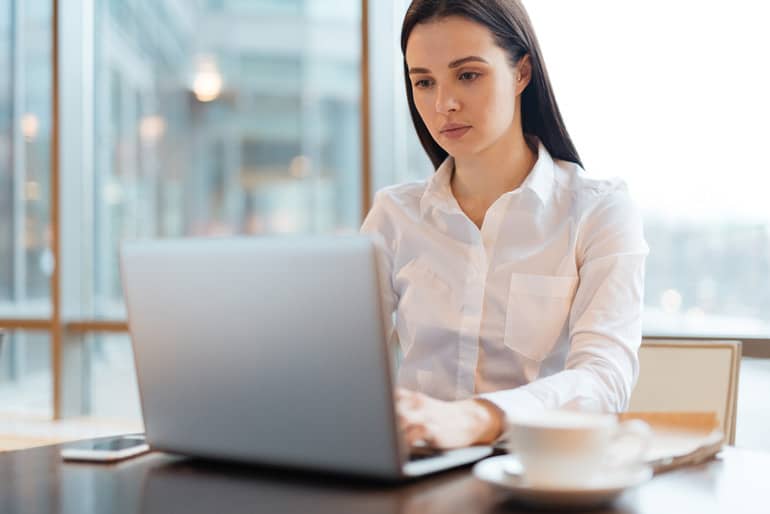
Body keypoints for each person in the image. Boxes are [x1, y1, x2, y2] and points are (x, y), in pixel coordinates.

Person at [361, 0, 648, 450]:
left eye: (468, 75)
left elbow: (604, 379)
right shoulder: (394, 216)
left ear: (521, 73)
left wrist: (478, 419)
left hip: (538, 468)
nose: (444, 103)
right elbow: (339, 366)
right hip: (417, 468)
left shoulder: (599, 211)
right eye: (424, 82)